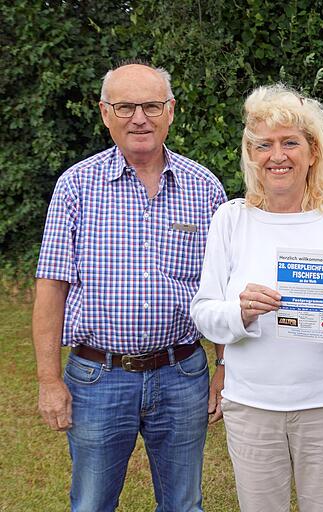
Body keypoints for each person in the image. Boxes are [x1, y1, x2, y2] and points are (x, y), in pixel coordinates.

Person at [190, 83, 323, 512]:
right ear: (250, 154)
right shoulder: (231, 219)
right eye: (263, 144)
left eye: (290, 143)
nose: (276, 155)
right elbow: (205, 313)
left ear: (313, 151)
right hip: (252, 405)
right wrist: (240, 313)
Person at [32, 61, 227, 511]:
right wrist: (48, 380)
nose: (139, 118)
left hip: (182, 374)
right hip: (97, 377)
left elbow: (221, 287)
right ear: (105, 113)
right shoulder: (76, 186)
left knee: (183, 504)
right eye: (125, 107)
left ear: (171, 111)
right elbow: (51, 289)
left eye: (152, 106)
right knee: (92, 504)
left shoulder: (205, 189)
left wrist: (223, 365)